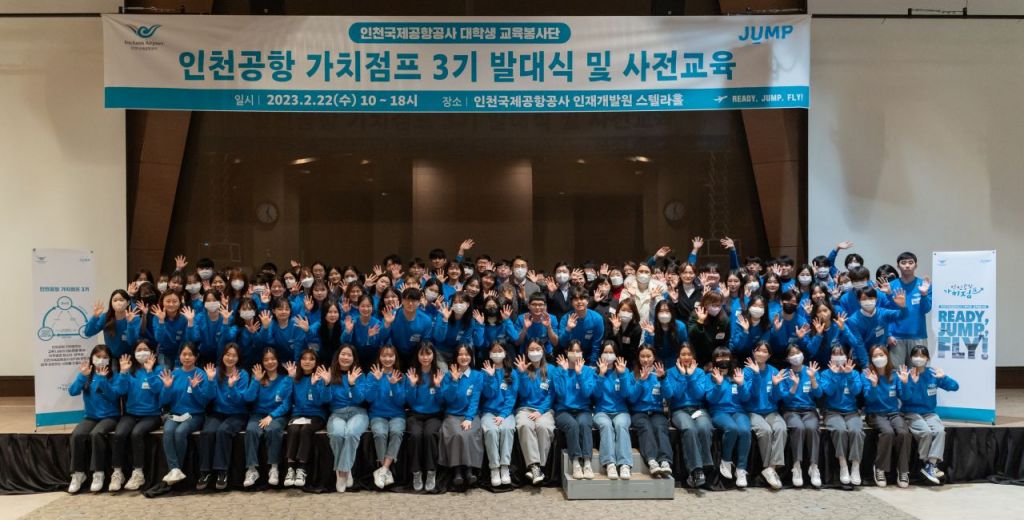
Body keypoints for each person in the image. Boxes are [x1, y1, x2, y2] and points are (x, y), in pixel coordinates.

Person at [899, 345, 959, 485]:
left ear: (927, 358)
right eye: (916, 355)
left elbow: (955, 387)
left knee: (940, 431)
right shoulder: (905, 374)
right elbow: (904, 398)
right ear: (911, 358)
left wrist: (944, 378)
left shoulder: (933, 374)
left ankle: (930, 465)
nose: (919, 358)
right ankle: (927, 463)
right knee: (925, 432)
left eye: (922, 356)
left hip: (929, 413)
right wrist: (909, 383)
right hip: (911, 412)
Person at [196, 344, 251, 491]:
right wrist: (210, 380)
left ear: (238, 358)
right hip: (218, 412)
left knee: (223, 431)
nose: (230, 358)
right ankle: (205, 472)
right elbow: (209, 397)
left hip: (238, 413)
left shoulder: (243, 374)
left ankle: (222, 472)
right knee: (207, 432)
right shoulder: (216, 372)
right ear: (223, 356)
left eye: (234, 355)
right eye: (228, 354)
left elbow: (241, 401)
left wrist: (232, 387)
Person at [110, 340, 163, 492]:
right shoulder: (130, 370)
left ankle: (138, 473)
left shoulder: (158, 369)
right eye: (138, 350)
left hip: (152, 415)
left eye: (145, 349)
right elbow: (120, 391)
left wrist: (150, 372)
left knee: (136, 433)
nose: (142, 352)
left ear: (152, 352)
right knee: (119, 434)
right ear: (133, 353)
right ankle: (117, 473)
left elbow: (158, 390)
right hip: (131, 414)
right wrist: (122, 373)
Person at [67, 345, 119, 493]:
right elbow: (72, 392)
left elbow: (114, 396)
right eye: (98, 356)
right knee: (77, 435)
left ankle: (98, 473)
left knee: (96, 434)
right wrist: (82, 376)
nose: (101, 360)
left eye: (105, 357)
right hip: (90, 417)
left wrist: (103, 380)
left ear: (109, 360)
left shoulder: (113, 375)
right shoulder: (87, 374)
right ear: (92, 358)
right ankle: (78, 474)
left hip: (110, 417)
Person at [158, 343, 212, 485]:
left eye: (190, 354)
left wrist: (196, 388)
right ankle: (174, 469)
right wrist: (167, 387)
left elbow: (204, 402)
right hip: (175, 414)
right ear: (180, 356)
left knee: (180, 432)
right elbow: (164, 401)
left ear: (196, 357)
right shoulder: (174, 374)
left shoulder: (201, 374)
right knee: (168, 431)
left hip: (195, 415)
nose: (187, 357)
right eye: (184, 354)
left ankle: (178, 468)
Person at [241, 348, 293, 487]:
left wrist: (272, 416)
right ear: (262, 362)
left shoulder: (285, 379)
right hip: (258, 414)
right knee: (251, 430)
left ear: (278, 360)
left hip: (277, 414)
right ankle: (252, 470)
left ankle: (274, 468)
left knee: (273, 430)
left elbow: (286, 404)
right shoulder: (257, 378)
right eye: (266, 359)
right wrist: (256, 381)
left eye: (272, 358)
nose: (270, 362)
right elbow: (248, 398)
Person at [861, 345, 912, 488]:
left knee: (903, 433)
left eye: (881, 355)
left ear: (887, 356)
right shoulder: (867, 374)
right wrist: (874, 385)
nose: (879, 358)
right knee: (888, 432)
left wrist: (905, 383)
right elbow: (869, 399)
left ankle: (903, 470)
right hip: (875, 414)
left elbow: (905, 397)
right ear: (871, 359)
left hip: (893, 413)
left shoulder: (895, 375)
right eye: (875, 356)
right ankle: (880, 468)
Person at [665, 343, 714, 488]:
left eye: (689, 354)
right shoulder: (671, 372)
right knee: (689, 428)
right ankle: (696, 470)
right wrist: (682, 376)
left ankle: (705, 466)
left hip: (698, 408)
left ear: (693, 356)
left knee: (704, 427)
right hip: (679, 410)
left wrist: (691, 376)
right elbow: (676, 395)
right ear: (678, 357)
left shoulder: (699, 372)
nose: (686, 357)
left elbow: (699, 394)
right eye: (683, 354)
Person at [741, 341, 787, 489]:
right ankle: (768, 467)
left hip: (771, 411)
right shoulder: (747, 371)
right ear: (753, 352)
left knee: (781, 428)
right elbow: (750, 396)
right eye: (758, 350)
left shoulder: (773, 371)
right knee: (765, 430)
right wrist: (756, 375)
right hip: (753, 411)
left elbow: (776, 398)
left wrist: (776, 385)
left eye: (765, 351)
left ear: (769, 355)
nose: (761, 353)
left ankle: (771, 468)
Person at [705, 346, 752, 488]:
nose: (723, 359)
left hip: (738, 411)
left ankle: (741, 469)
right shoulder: (710, 376)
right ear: (714, 360)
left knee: (744, 430)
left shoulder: (737, 374)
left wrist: (741, 384)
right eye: (719, 357)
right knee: (731, 428)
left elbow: (746, 398)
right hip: (718, 411)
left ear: (731, 358)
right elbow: (710, 399)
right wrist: (718, 384)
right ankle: (726, 461)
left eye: (725, 356)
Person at [439, 344, 485, 489]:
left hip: (471, 415)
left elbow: (475, 400)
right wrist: (454, 381)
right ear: (456, 357)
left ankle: (469, 470)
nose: (463, 357)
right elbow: (448, 399)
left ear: (471, 357)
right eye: (460, 354)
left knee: (469, 433)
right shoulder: (448, 375)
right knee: (457, 434)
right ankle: (457, 471)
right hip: (452, 415)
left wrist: (469, 418)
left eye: (466, 354)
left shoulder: (478, 375)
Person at [324, 344, 369, 493]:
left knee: (350, 433)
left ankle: (341, 473)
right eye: (343, 354)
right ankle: (347, 468)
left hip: (358, 412)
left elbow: (360, 399)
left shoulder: (359, 375)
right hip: (337, 413)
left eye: (349, 355)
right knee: (337, 434)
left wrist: (352, 384)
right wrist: (326, 384)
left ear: (353, 358)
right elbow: (325, 400)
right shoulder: (330, 374)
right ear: (337, 356)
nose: (345, 357)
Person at [818, 345, 865, 486]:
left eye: (841, 354)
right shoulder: (825, 373)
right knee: (839, 430)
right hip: (832, 412)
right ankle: (843, 464)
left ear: (847, 356)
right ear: (831, 357)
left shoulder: (854, 373)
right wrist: (834, 376)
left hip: (851, 412)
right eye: (835, 354)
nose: (838, 357)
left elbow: (856, 391)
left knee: (856, 431)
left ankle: (855, 466)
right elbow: (828, 392)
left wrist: (849, 375)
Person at [283, 348, 329, 488]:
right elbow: (286, 397)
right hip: (297, 414)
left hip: (316, 415)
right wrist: (289, 378)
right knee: (293, 429)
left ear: (316, 362)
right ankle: (290, 468)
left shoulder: (319, 377)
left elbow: (321, 402)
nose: (307, 361)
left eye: (311, 359)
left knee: (305, 430)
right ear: (300, 361)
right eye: (304, 358)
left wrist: (315, 385)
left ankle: (302, 469)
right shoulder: (295, 377)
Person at [513, 339, 557, 485]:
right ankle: (534, 466)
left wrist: (541, 411)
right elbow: (523, 394)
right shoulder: (522, 369)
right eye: (531, 350)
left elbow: (551, 395)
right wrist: (522, 374)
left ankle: (538, 467)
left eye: (537, 349)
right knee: (524, 425)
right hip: (525, 409)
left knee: (543, 426)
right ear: (527, 352)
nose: (534, 352)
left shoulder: (551, 369)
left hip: (545, 409)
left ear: (543, 351)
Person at [404, 342, 446, 492]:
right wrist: (412, 386)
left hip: (434, 415)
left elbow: (442, 402)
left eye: (428, 353)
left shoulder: (439, 374)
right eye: (422, 354)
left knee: (429, 434)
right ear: (417, 355)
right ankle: (416, 473)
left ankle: (431, 471)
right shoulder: (412, 373)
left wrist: (438, 386)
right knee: (415, 435)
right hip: (415, 415)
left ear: (433, 355)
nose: (425, 357)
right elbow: (410, 402)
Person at [553, 340, 597, 480]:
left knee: (584, 424)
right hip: (563, 410)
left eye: (578, 351)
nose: (575, 354)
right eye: (572, 351)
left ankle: (587, 462)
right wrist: (564, 372)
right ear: (567, 352)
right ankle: (576, 461)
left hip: (583, 410)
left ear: (582, 353)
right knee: (572, 425)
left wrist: (579, 374)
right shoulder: (558, 370)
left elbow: (587, 393)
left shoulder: (588, 371)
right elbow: (560, 393)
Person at [779, 346, 822, 488]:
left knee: (811, 428)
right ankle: (796, 467)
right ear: (787, 358)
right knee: (798, 428)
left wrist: (813, 378)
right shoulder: (784, 373)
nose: (796, 356)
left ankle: (814, 467)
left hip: (809, 410)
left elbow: (819, 394)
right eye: (792, 354)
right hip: (791, 410)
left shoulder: (811, 371)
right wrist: (794, 386)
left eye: (798, 352)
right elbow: (784, 399)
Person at [628, 345, 674, 478]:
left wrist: (663, 379)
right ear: (638, 358)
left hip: (656, 412)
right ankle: (651, 460)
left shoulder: (659, 373)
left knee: (660, 427)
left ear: (654, 358)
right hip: (638, 412)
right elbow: (631, 399)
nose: (645, 359)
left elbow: (669, 395)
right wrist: (641, 381)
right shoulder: (633, 375)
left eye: (648, 356)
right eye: (642, 356)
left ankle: (665, 461)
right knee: (646, 427)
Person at [592, 341, 634, 480]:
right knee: (606, 425)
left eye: (611, 352)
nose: (608, 355)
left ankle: (624, 464)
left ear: (616, 355)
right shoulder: (595, 372)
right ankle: (609, 463)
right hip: (601, 411)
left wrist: (622, 376)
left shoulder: (624, 371)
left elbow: (626, 394)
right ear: (601, 354)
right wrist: (601, 375)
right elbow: (595, 395)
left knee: (621, 425)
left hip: (621, 411)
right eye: (606, 352)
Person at [367, 345, 407, 489]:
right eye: (384, 355)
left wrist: (395, 385)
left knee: (396, 432)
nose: (387, 359)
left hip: (397, 415)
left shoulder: (401, 376)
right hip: (377, 414)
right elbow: (368, 398)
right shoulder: (372, 375)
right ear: (379, 357)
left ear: (395, 358)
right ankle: (385, 470)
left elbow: (401, 402)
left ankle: (383, 469)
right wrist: (377, 382)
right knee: (380, 433)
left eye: (390, 356)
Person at [480, 341, 518, 487]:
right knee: (491, 431)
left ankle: (505, 467)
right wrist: (491, 377)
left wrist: (503, 415)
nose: (497, 354)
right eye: (494, 351)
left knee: (507, 429)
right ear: (489, 354)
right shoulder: (484, 372)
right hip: (489, 412)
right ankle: (494, 468)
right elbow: (488, 395)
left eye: (500, 350)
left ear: (505, 353)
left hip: (506, 412)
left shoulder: (512, 373)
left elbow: (511, 398)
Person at [888, 253, 932, 366]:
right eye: (903, 263)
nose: (907, 265)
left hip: (918, 335)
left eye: (910, 263)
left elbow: (926, 309)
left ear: (916, 265)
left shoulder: (924, 285)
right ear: (898, 266)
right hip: (895, 337)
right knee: (896, 372)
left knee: (918, 370)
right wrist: (888, 334)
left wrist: (924, 294)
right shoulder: (891, 286)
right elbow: (884, 313)